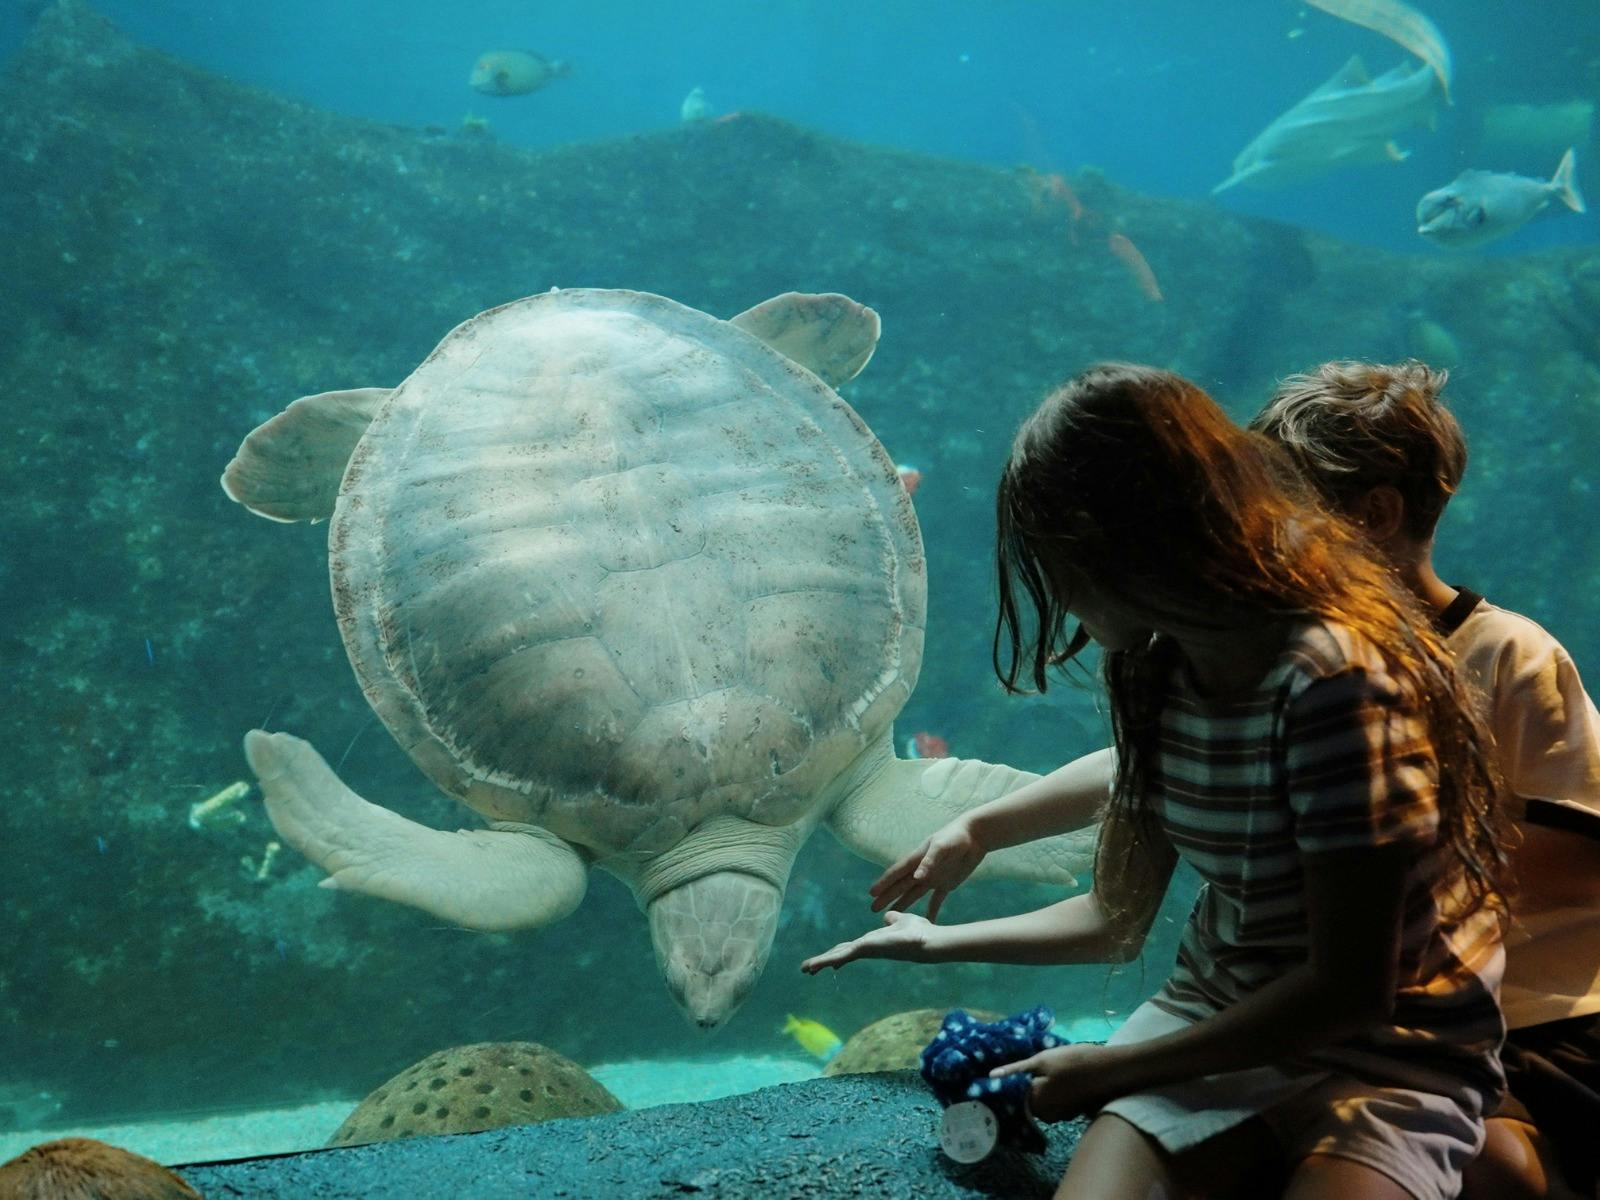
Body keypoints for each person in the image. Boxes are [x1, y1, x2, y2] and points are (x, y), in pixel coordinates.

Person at [801, 363, 1510, 1200]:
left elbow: (1346, 991)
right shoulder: (1149, 673)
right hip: (1211, 1023)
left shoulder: (1335, 683)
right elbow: (1115, 916)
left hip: (1385, 1054)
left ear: (1123, 541)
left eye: (1056, 560)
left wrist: (1114, 1069)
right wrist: (934, 943)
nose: (1057, 593)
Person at [1252, 360, 1600, 1200]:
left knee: (1495, 1174)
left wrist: (1381, 892)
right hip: (1376, 1010)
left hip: (1538, 1012)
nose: (1257, 539)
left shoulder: (1511, 655)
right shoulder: (1301, 656)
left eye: (1280, 516)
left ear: (1373, 515)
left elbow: (1582, 853)